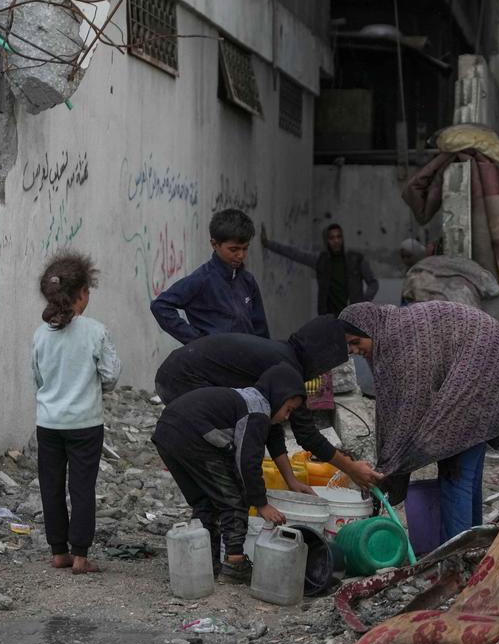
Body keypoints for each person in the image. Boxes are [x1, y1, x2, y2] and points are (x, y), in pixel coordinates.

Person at [338, 301, 499, 545]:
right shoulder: (390, 331)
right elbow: (396, 408)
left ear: (369, 329)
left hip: (484, 370)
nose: (353, 350)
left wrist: (386, 467)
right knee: (467, 471)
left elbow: (409, 410)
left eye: (356, 342)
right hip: (483, 368)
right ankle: (474, 547)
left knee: (454, 467)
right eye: (348, 346)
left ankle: (456, 555)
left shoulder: (398, 342)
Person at [154, 314, 384, 489]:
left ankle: (224, 513)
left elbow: (271, 424)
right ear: (324, 353)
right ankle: (223, 517)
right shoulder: (286, 368)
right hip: (182, 379)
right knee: (227, 454)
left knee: (242, 442)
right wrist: (351, 469)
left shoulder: (284, 357)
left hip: (178, 374)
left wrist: (291, 480)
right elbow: (307, 435)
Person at [151, 364, 305, 582]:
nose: (287, 416)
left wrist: (289, 480)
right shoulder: (257, 411)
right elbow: (247, 462)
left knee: (205, 499)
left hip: (166, 432)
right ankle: (235, 562)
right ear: (279, 396)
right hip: (192, 434)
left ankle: (203, 560)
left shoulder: (249, 400)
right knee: (233, 497)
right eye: (288, 409)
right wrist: (261, 503)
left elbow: (269, 441)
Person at [31, 251, 121, 575]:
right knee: (82, 487)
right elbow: (110, 375)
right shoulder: (95, 331)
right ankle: (80, 555)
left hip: (49, 423)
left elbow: (38, 378)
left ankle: (58, 551)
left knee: (51, 486)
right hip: (85, 423)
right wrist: (93, 388)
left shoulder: (40, 334)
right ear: (82, 293)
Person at [151, 209, 268, 344]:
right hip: (214, 362)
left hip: (247, 360)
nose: (241, 255)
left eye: (245, 248)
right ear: (214, 244)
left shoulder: (248, 281)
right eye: (234, 249)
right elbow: (160, 305)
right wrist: (197, 341)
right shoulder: (202, 280)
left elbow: (261, 330)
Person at [262, 223, 378, 316]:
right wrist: (268, 244)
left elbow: (373, 283)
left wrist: (363, 302)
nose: (336, 241)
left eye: (339, 236)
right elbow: (295, 254)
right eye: (332, 238)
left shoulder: (356, 259)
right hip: (329, 318)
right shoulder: (320, 261)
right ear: (326, 241)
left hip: (354, 316)